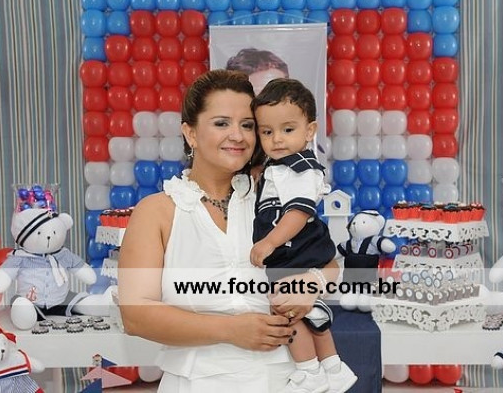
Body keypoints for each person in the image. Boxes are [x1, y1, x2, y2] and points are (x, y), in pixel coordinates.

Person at [118, 69, 339, 392]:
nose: (237, 136)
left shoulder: (275, 199)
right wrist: (230, 330)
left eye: (247, 125)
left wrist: (312, 283)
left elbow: (330, 265)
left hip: (288, 380)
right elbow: (135, 316)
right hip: (196, 384)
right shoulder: (157, 211)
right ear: (190, 133)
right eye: (221, 123)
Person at [250, 78, 358, 393]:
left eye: (287, 129)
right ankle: (333, 368)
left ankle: (310, 372)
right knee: (301, 312)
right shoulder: (277, 168)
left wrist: (270, 242)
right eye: (266, 132)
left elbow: (297, 212)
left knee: (286, 311)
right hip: (295, 253)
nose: (276, 139)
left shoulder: (300, 168)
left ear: (310, 131)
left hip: (295, 251)